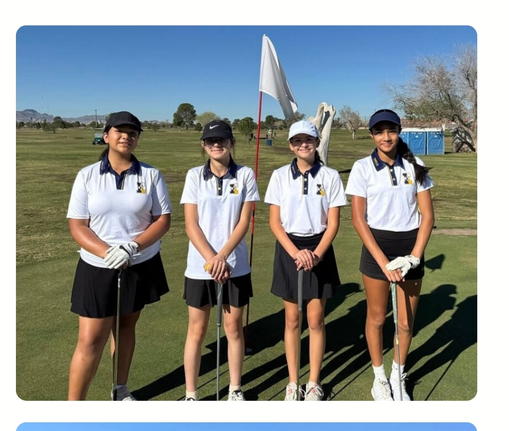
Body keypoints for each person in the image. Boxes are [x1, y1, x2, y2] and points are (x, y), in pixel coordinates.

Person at [66, 111, 172, 401]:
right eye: (120, 131)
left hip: (139, 262)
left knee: (126, 327)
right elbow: (77, 225)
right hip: (97, 265)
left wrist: (131, 247)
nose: (126, 136)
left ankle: (120, 389)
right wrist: (107, 251)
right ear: (106, 135)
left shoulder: (150, 174)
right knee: (90, 339)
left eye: (132, 132)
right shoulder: (87, 175)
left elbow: (162, 219)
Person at [347, 109, 434, 401]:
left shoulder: (415, 165)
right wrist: (383, 261)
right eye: (379, 132)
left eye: (391, 130)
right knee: (376, 318)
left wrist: (415, 257)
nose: (386, 137)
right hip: (377, 246)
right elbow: (358, 219)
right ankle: (380, 378)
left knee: (406, 322)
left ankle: (398, 374)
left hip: (410, 247)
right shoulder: (362, 167)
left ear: (399, 131)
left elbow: (428, 216)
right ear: (372, 135)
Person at [264, 121, 347, 401]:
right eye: (297, 141)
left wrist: (317, 254)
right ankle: (292, 382)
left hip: (318, 249)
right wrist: (295, 252)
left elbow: (333, 223)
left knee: (315, 320)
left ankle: (313, 382)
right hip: (290, 249)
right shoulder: (278, 176)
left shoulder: (331, 176)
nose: (303, 145)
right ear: (290, 145)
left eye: (308, 140)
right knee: (291, 320)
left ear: (316, 142)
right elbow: (275, 222)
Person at [179, 120, 259, 401]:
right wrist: (212, 258)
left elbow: (244, 221)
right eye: (211, 141)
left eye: (222, 140)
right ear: (203, 145)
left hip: (234, 265)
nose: (217, 144)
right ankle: (191, 394)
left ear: (231, 142)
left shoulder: (246, 175)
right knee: (197, 330)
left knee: (233, 329)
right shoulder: (194, 176)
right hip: (200, 267)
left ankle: (235, 389)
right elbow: (191, 224)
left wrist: (223, 256)